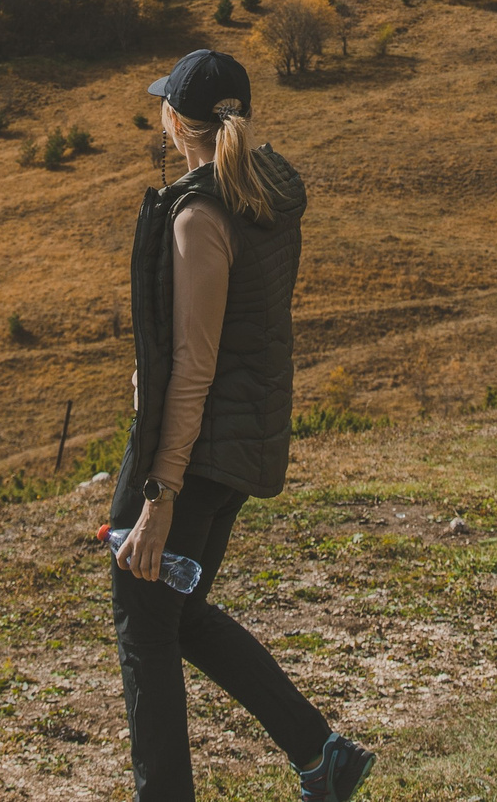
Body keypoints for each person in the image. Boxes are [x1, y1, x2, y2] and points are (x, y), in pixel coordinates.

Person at [109, 47, 375, 801]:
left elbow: (195, 366)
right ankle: (322, 756)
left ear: (174, 122)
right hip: (235, 451)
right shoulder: (265, 193)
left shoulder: (199, 214)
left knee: (144, 619)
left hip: (191, 456)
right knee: (178, 612)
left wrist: (158, 495)